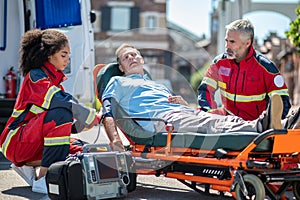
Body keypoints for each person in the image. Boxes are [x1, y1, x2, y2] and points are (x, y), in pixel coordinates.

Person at [100, 44, 300, 151]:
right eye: (126, 57)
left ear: (142, 60)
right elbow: (107, 112)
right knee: (210, 124)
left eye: (135, 55)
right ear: (121, 67)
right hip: (160, 121)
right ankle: (264, 126)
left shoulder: (155, 84)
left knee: (219, 119)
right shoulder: (118, 82)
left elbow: (186, 110)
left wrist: (184, 103)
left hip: (180, 113)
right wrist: (115, 140)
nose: (132, 58)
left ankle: (283, 122)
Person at [0, 29, 101, 194]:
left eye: (68, 56)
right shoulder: (36, 76)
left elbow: (60, 127)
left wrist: (82, 125)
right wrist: (90, 116)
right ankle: (45, 177)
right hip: (14, 142)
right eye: (63, 55)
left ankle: (30, 169)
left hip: (31, 142)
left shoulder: (55, 83)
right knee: (62, 112)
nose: (68, 60)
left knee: (84, 150)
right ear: (49, 54)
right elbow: (60, 104)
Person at [197, 19, 291, 121]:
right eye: (226, 41)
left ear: (247, 43)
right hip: (227, 123)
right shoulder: (219, 63)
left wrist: (269, 125)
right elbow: (205, 90)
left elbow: (283, 101)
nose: (226, 46)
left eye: (232, 41)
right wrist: (207, 112)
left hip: (255, 127)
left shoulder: (266, 67)